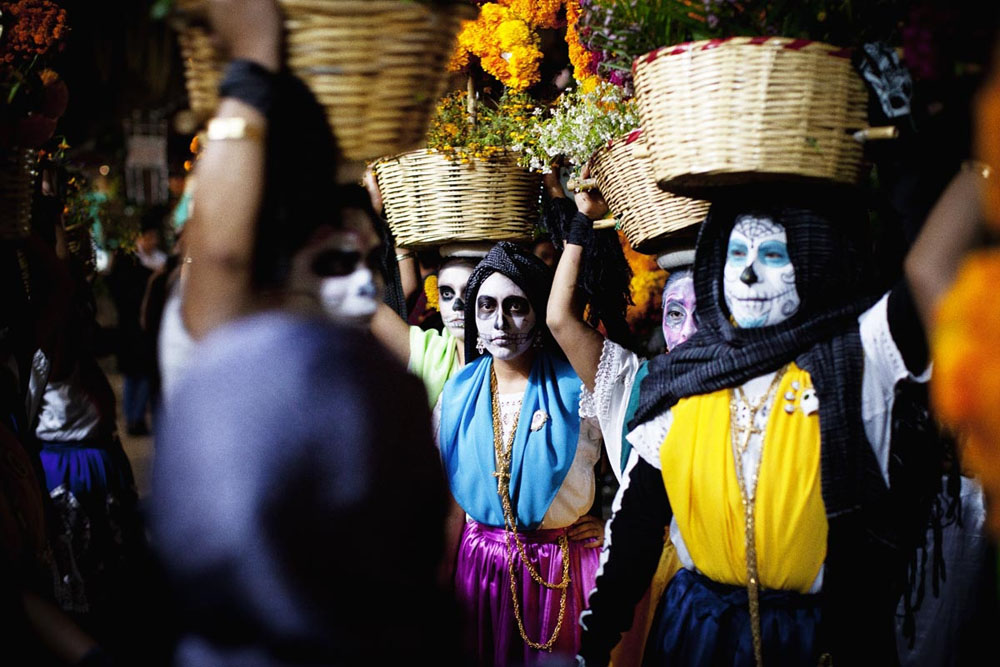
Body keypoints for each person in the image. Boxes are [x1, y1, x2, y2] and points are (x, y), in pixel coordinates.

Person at [151, 2, 459, 664]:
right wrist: (255, 66)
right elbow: (223, 258)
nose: (349, 283)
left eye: (360, 258)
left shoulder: (376, 373)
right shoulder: (232, 339)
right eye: (327, 259)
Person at [578, 187, 934, 666]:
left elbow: (933, 276)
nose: (747, 273)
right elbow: (636, 529)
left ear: (813, 262)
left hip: (817, 640)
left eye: (772, 255)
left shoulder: (858, 355)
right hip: (694, 634)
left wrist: (929, 159)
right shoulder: (684, 379)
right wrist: (594, 643)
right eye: (735, 254)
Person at [546, 178, 700, 666]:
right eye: (676, 313)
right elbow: (560, 320)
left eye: (706, 312)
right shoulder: (631, 383)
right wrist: (582, 220)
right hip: (642, 583)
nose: (690, 331)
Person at [437, 241, 604, 666]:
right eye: (486, 306)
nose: (499, 323)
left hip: (559, 568)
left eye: (516, 306)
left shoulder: (577, 389)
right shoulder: (457, 394)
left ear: (539, 311)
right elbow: (452, 504)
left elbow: (636, 455)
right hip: (479, 569)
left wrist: (610, 521)